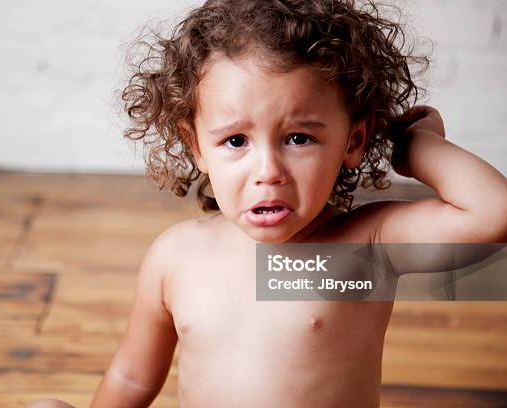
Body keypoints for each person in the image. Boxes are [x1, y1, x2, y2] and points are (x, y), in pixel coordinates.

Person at [27, 0, 507, 407]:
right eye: (236, 140)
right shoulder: (175, 256)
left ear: (354, 139)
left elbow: (494, 214)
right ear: (196, 146)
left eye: (298, 138)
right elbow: (133, 377)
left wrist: (412, 145)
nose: (268, 171)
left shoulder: (368, 246)